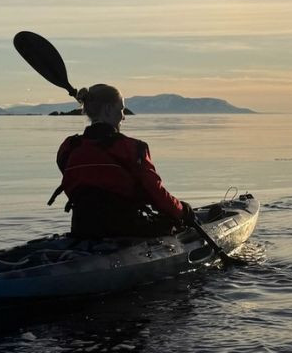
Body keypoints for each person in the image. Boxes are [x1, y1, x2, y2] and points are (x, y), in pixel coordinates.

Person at [55, 83, 192, 239]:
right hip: (126, 230)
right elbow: (155, 193)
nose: (124, 116)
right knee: (171, 221)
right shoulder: (133, 148)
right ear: (107, 110)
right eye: (121, 109)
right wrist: (182, 210)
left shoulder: (69, 147)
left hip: (82, 228)